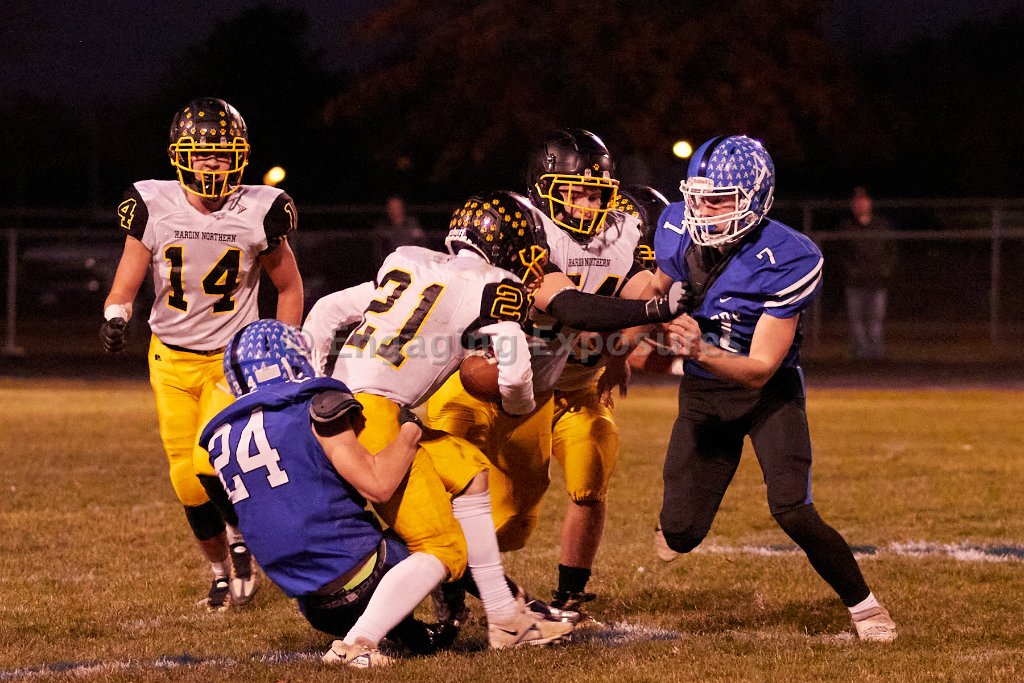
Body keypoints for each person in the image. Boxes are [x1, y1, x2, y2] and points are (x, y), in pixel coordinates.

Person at [645, 134, 897, 642]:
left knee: (793, 508)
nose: (702, 211)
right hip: (703, 397)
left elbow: (760, 367)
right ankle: (679, 525)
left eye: (718, 200)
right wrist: (630, 334)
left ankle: (867, 609)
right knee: (680, 533)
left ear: (755, 198)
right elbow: (653, 289)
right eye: (698, 198)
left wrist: (699, 350)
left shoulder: (788, 256)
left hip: (768, 395)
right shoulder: (675, 227)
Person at [427, 130, 690, 613]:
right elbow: (570, 305)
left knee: (513, 523)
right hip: (470, 374)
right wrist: (657, 310)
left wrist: (674, 302)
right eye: (578, 193)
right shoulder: (524, 228)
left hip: (535, 388)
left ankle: (467, 578)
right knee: (438, 495)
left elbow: (641, 293)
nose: (590, 205)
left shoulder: (621, 231)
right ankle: (421, 580)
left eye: (598, 194)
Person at [304, 190, 575, 648]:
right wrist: (519, 408)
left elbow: (327, 310)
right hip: (376, 417)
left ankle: (505, 618)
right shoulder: (496, 286)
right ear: (505, 244)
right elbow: (515, 372)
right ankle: (357, 645)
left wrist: (314, 384)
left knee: (469, 470)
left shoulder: (410, 262)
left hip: (354, 406)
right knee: (441, 547)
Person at [100, 97, 304, 611]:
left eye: (222, 154)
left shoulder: (258, 209)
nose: (213, 165)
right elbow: (126, 281)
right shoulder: (153, 204)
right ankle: (219, 571)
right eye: (203, 154)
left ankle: (242, 538)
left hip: (230, 360)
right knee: (186, 481)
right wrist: (116, 314)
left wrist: (283, 347)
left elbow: (290, 286)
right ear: (180, 156)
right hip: (169, 360)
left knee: (206, 460)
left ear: (240, 157)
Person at [199, 319, 450, 668]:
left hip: (313, 606)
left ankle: (408, 633)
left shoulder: (219, 436)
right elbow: (378, 485)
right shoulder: (315, 405)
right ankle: (366, 641)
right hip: (363, 578)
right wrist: (410, 430)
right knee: (442, 536)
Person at [838, 186, 896, 359]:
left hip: (877, 280)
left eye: (863, 200)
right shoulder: (847, 227)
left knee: (875, 319)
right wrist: (850, 271)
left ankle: (876, 354)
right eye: (857, 201)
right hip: (855, 281)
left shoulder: (881, 225)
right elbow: (841, 253)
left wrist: (886, 268)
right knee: (856, 320)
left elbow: (891, 250)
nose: (860, 204)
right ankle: (862, 353)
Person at [371, 195, 427, 264]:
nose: (396, 210)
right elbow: (379, 251)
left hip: (412, 262)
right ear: (388, 210)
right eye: (392, 208)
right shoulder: (383, 227)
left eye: (397, 207)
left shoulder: (412, 223)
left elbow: (423, 245)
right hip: (392, 263)